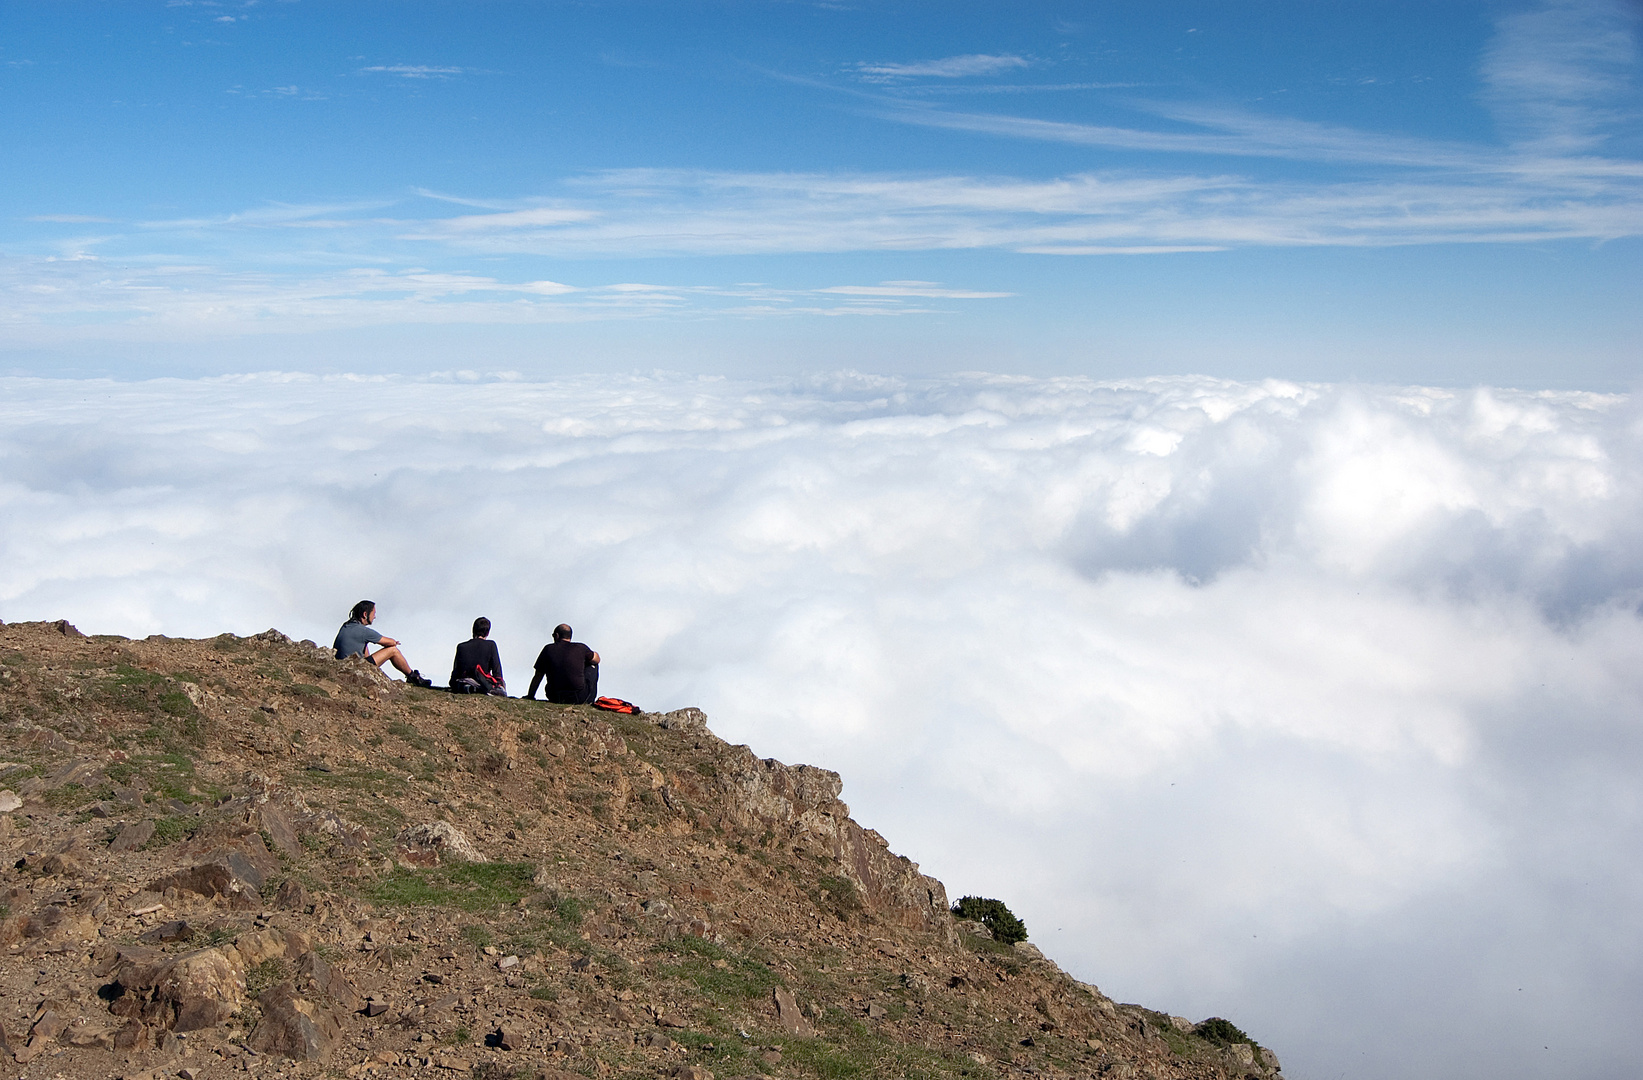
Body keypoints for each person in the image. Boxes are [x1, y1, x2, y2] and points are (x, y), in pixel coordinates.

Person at [333, 600, 433, 687]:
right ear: (365, 614)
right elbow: (389, 642)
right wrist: (394, 642)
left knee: (365, 644)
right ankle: (413, 677)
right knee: (393, 650)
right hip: (355, 668)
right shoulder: (363, 631)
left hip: (342, 666)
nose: (375, 617)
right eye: (373, 613)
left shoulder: (346, 626)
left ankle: (411, 676)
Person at [527, 623, 600, 704]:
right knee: (592, 664)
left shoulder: (548, 649)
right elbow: (597, 659)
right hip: (579, 697)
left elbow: (538, 675)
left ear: (556, 635)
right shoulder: (581, 648)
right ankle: (589, 700)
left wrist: (530, 695)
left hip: (554, 696)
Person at [451, 616, 506, 696]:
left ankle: (468, 687)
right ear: (487, 632)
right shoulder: (491, 645)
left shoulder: (461, 646)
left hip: (465, 680)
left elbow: (455, 673)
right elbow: (497, 672)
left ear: (473, 630)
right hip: (483, 682)